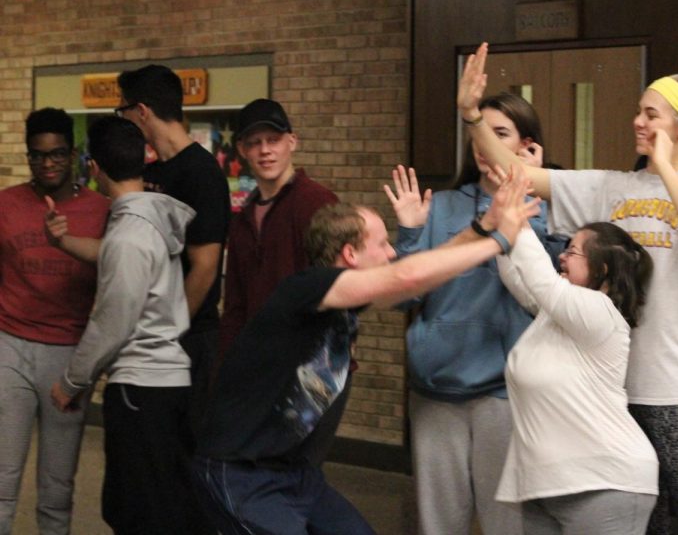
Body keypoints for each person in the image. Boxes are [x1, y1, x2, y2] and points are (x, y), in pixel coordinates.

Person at [459, 43, 678, 534]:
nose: (638, 122)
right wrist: (473, 116)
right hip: (613, 390)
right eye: (637, 112)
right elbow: (518, 174)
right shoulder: (611, 186)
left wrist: (666, 163)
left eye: (651, 115)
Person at [194, 166, 536, 535]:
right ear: (350, 255)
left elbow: (416, 275)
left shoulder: (341, 299)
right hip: (242, 474)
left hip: (295, 475)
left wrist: (484, 225)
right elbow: (407, 276)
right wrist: (500, 240)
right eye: (383, 244)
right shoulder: (306, 289)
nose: (392, 251)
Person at [383, 91, 562, 535]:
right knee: (439, 522)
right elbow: (403, 294)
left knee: (507, 523)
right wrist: (409, 232)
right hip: (436, 388)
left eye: (499, 134)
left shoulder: (549, 211)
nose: (485, 147)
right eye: (479, 136)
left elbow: (550, 291)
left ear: (525, 144)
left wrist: (529, 190)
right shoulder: (441, 206)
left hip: (504, 392)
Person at [48, 116, 208, 534]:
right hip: (163, 387)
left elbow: (111, 322)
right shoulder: (148, 220)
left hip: (141, 390)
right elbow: (117, 260)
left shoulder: (129, 235)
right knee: (163, 505)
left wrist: (71, 381)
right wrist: (63, 241)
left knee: (139, 512)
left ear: (94, 168)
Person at [495, 218, 658, 534]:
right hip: (544, 485)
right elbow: (520, 278)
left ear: (603, 270)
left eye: (572, 251)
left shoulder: (600, 311)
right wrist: (500, 228)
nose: (562, 257)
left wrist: (517, 220)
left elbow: (542, 280)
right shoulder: (554, 315)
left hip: (606, 482)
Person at [0, 108, 109, 535]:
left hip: (69, 355)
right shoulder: (6, 203)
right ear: (28, 157)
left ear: (74, 154)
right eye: (38, 156)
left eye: (58, 154)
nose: (48, 164)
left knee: (57, 484)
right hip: (10, 346)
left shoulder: (101, 209)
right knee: (3, 479)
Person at [218, 98, 341, 467]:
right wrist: (226, 372)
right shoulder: (241, 221)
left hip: (314, 372)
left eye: (273, 139)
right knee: (266, 474)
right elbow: (236, 306)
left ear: (292, 142)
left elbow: (340, 289)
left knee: (298, 473)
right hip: (262, 372)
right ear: (241, 150)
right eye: (254, 143)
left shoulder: (317, 203)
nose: (265, 150)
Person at [116, 64, 230, 424]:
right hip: (152, 341)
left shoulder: (201, 172)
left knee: (182, 456)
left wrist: (167, 332)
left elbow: (205, 267)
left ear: (142, 112)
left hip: (188, 340)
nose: (122, 120)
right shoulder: (149, 174)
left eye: (124, 111)